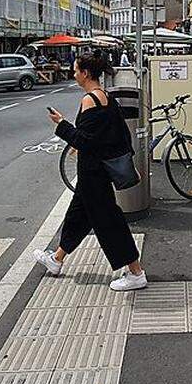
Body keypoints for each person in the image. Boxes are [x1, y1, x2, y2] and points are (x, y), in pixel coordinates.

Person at [36, 50, 147, 291]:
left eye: (76, 71)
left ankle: (136, 273)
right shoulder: (105, 97)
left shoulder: (90, 100)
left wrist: (61, 124)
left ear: (85, 73)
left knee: (109, 222)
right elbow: (115, 135)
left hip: (93, 174)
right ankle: (56, 259)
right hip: (95, 172)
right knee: (77, 216)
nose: (73, 75)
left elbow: (85, 140)